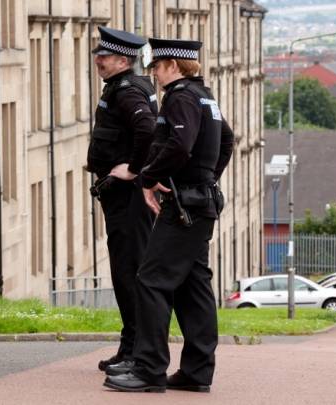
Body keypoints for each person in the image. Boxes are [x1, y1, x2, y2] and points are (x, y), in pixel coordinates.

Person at [104, 38, 234, 393]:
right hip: (200, 202)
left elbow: (179, 145)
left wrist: (148, 178)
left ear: (173, 65)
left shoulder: (181, 97)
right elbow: (227, 141)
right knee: (193, 286)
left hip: (183, 207)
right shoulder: (205, 96)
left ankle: (148, 369)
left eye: (158, 67)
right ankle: (196, 371)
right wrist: (207, 177)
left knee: (151, 279)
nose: (155, 74)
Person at [87, 26, 158, 373]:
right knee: (125, 273)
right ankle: (130, 346)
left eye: (105, 57)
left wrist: (132, 168)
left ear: (122, 60)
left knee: (129, 273)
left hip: (128, 199)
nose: (98, 61)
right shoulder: (123, 87)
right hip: (121, 200)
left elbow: (147, 129)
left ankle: (137, 352)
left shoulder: (127, 91)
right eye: (99, 55)